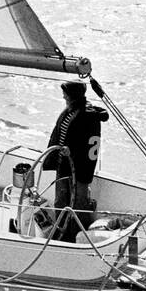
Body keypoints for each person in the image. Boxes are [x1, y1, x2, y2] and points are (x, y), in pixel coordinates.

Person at [42, 80, 109, 240]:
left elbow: (89, 142)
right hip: (62, 165)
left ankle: (78, 236)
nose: (63, 95)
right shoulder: (70, 111)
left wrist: (72, 152)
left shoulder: (88, 115)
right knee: (60, 201)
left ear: (73, 95)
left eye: (65, 92)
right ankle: (61, 232)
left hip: (78, 167)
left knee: (79, 203)